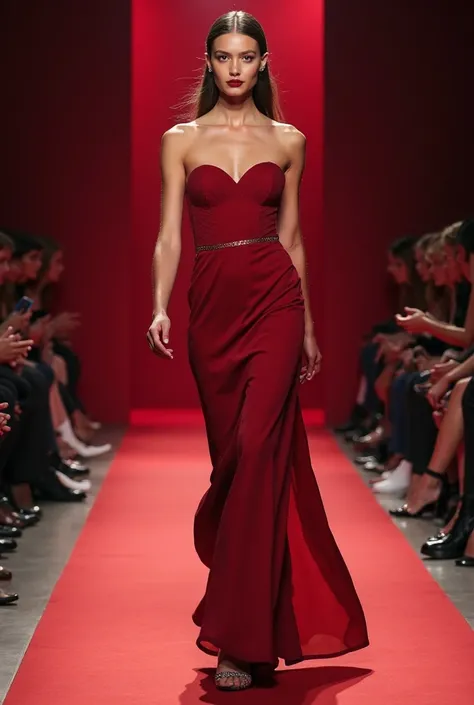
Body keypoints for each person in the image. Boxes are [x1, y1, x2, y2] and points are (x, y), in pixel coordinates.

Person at [147, 10, 368, 692]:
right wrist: (159, 303)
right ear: (209, 63)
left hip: (275, 301)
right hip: (211, 308)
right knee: (236, 462)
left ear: (264, 61)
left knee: (259, 448)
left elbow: (293, 236)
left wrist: (308, 326)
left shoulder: (289, 140)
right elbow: (168, 235)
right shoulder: (180, 140)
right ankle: (261, 626)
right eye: (224, 57)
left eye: (246, 56)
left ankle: (237, 642)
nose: (235, 68)